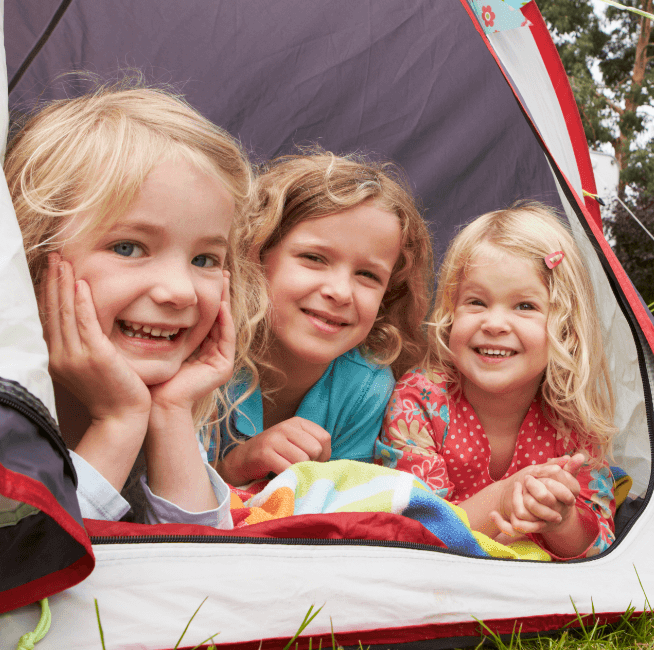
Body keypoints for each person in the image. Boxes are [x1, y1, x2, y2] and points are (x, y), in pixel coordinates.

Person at [4, 82, 259, 525]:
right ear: (29, 257)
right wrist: (116, 424)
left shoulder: (165, 404)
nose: (179, 290)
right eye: (128, 247)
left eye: (204, 259)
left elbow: (200, 579)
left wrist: (173, 414)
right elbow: (26, 570)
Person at [375, 202, 617, 560]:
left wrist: (561, 520)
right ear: (449, 313)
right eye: (476, 302)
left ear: (565, 328)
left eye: (524, 306)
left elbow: (598, 547)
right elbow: (414, 530)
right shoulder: (420, 401)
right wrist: (505, 497)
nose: (495, 323)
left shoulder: (573, 420)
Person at [213, 151, 434, 485]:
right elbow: (158, 497)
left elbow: (344, 511)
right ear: (255, 254)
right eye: (314, 258)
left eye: (368, 276)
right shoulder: (206, 351)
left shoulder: (366, 386)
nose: (341, 292)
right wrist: (234, 467)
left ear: (389, 295)